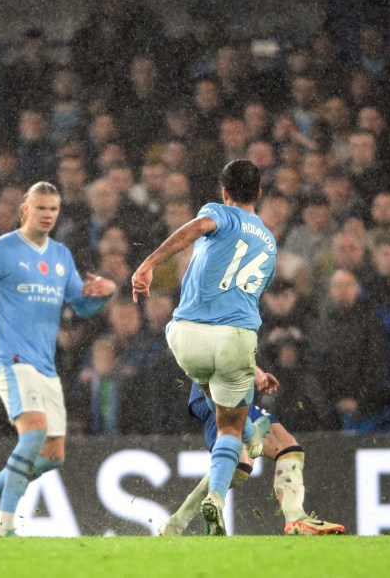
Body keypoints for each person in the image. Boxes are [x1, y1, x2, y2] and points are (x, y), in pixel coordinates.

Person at [0, 181, 117, 537]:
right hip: (11, 359)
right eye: (41, 207)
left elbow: (81, 305)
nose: (47, 215)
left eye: (54, 209)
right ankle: (5, 527)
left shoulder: (61, 255)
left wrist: (105, 294)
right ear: (25, 209)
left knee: (52, 454)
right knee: (33, 436)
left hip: (45, 365)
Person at [131, 159, 276, 536]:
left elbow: (198, 228)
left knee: (212, 388)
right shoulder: (269, 243)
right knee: (230, 424)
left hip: (186, 334)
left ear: (224, 193)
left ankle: (250, 432)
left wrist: (148, 263)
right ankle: (216, 495)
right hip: (237, 338)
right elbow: (244, 300)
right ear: (258, 194)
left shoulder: (219, 212)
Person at [158, 377, 345, 536]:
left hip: (217, 389)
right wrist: (256, 373)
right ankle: (296, 518)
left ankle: (174, 525)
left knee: (240, 465)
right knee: (285, 446)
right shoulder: (232, 335)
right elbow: (230, 344)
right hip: (220, 390)